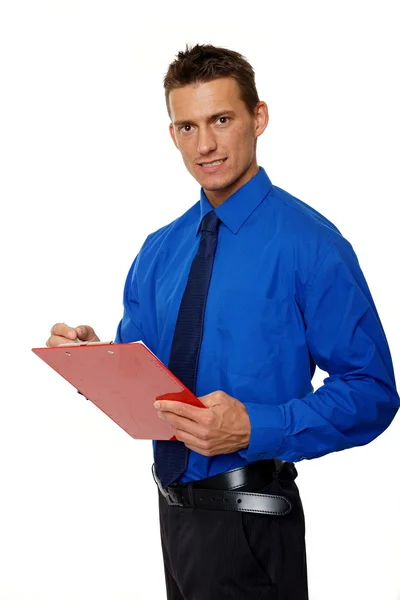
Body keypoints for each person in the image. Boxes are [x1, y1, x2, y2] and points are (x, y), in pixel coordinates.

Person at [46, 44, 399, 599]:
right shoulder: (159, 250)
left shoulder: (312, 245)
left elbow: (374, 392)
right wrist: (96, 362)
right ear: (171, 134)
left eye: (221, 120)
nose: (204, 144)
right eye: (187, 126)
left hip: (254, 523)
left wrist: (257, 427)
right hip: (174, 520)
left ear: (258, 117)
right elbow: (150, 383)